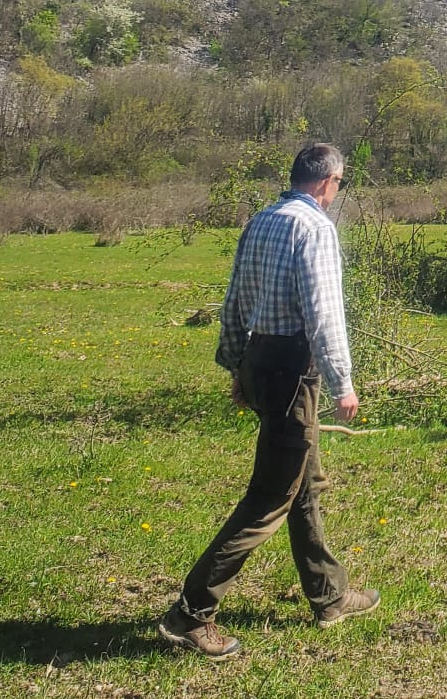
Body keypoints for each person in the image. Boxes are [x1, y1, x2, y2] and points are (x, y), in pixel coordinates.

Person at [159, 140, 379, 657]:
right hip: (292, 370)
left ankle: (329, 596)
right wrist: (342, 380)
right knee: (271, 495)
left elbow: (234, 301)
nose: (338, 192)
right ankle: (191, 611)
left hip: (261, 360)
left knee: (303, 483)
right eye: (340, 183)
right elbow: (324, 315)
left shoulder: (261, 220)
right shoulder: (315, 227)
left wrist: (237, 366)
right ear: (327, 182)